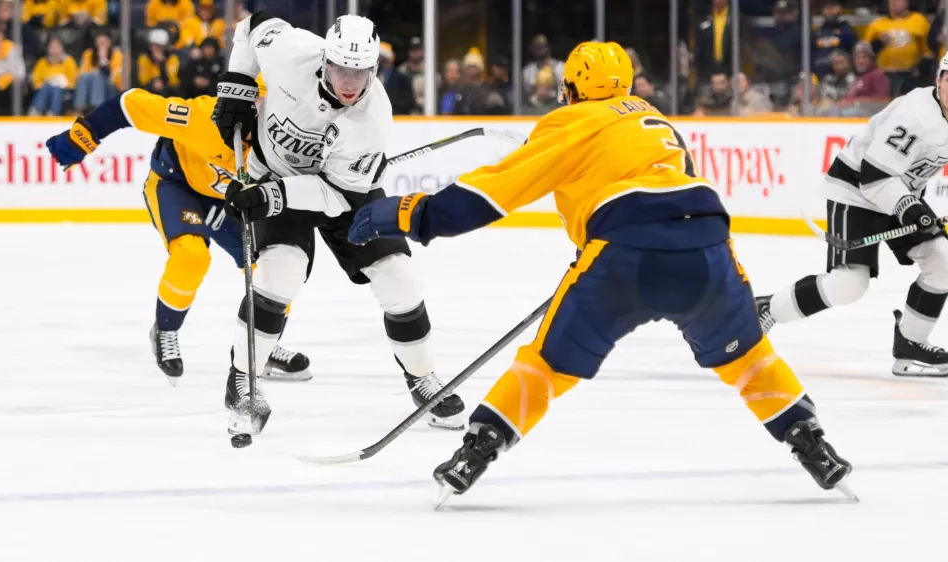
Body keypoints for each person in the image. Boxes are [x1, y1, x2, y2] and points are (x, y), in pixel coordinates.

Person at [346, 41, 853, 501]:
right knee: (747, 356)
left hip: (622, 252)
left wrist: (409, 213)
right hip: (707, 245)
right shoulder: (655, 120)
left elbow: (488, 195)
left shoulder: (572, 121)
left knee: (547, 365)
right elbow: (674, 199)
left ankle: (477, 450)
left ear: (570, 89)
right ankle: (813, 444)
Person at [210, 13, 466, 437]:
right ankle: (243, 378)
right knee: (280, 272)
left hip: (343, 192)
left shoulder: (372, 119)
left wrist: (274, 197)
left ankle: (422, 376)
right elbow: (250, 25)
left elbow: (337, 195)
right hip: (272, 174)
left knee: (398, 276)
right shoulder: (292, 52)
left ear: (374, 69)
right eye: (340, 69)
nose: (349, 83)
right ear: (324, 60)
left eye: (360, 72)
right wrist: (237, 86)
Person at [43, 81, 311, 384]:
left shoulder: (286, 145)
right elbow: (129, 105)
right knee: (191, 255)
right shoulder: (203, 117)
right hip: (176, 185)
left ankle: (259, 349)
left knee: (276, 267)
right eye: (260, 103)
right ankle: (165, 330)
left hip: (228, 201)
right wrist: (85, 136)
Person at [757, 54, 948, 378]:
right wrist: (913, 210)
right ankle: (766, 308)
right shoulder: (916, 115)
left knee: (943, 261)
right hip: (857, 191)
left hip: (899, 192)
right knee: (849, 285)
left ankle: (910, 345)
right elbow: (874, 176)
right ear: (939, 79)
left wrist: (911, 206)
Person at [74, 29, 123, 113]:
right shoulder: (88, 54)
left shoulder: (117, 54)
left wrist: (104, 62)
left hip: (112, 87)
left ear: (109, 43)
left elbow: (115, 78)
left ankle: (96, 108)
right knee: (85, 77)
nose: (101, 45)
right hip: (91, 84)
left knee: (98, 76)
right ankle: (79, 107)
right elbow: (82, 73)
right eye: (99, 42)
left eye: (103, 42)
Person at [29, 36, 77, 116]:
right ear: (47, 48)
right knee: (49, 86)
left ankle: (53, 113)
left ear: (62, 48)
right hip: (45, 90)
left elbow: (74, 80)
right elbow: (35, 81)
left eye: (57, 46)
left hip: (64, 90)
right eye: (52, 46)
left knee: (56, 89)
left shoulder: (69, 61)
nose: (54, 49)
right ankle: (36, 111)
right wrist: (48, 82)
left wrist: (63, 83)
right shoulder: (42, 62)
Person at [137, 28, 180, 95]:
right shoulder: (144, 58)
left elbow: (171, 81)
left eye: (158, 46)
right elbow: (143, 81)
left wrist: (162, 63)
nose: (154, 49)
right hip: (149, 91)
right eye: (152, 45)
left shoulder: (172, 58)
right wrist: (152, 84)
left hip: (168, 91)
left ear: (164, 47)